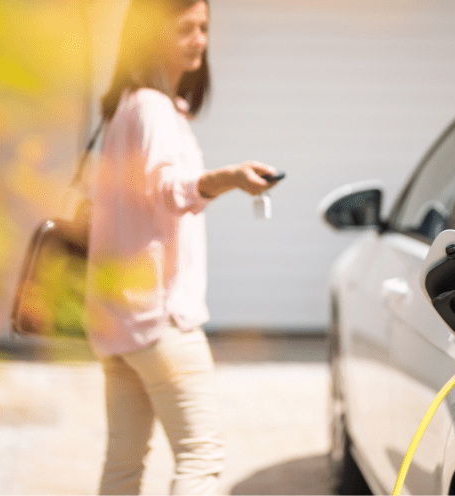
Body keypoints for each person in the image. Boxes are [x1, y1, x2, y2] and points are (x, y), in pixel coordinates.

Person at [83, 0, 278, 494]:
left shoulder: (128, 105)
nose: (199, 40)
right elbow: (168, 190)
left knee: (123, 467)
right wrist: (229, 178)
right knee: (201, 458)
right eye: (185, 29)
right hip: (160, 319)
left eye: (204, 28)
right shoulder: (150, 106)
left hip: (118, 319)